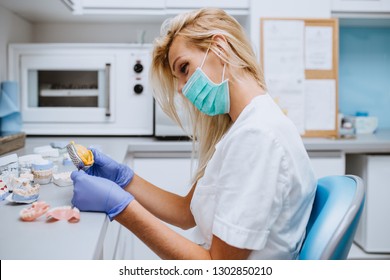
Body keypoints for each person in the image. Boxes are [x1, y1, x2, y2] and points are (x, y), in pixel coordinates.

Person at [71, 8, 317, 260]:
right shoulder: (246, 125)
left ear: (219, 47)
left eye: (184, 68)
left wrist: (120, 208)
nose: (180, 89)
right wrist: (123, 180)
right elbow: (186, 212)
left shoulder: (257, 136)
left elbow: (218, 267)